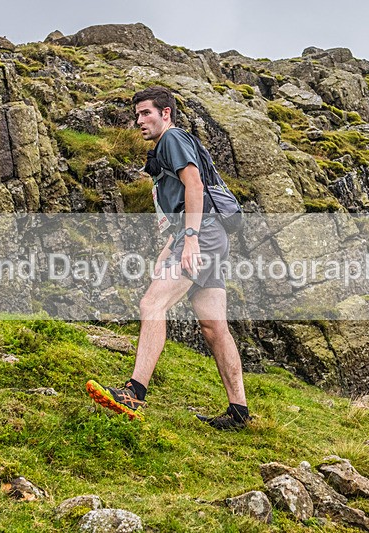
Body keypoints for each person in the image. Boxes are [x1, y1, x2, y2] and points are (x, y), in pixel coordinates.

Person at [86, 86, 250, 430]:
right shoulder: (171, 144)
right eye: (137, 115)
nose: (140, 120)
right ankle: (239, 412)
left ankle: (133, 393)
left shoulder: (172, 139)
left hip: (202, 233)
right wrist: (173, 244)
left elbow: (195, 186)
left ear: (166, 113)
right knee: (214, 326)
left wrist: (189, 240)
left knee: (152, 304)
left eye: (146, 113)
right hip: (209, 233)